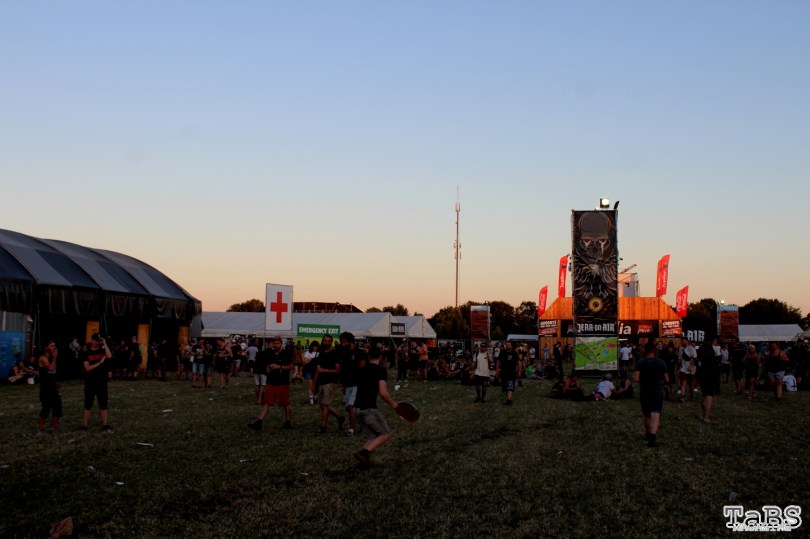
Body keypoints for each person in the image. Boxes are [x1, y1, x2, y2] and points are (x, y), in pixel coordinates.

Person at [352, 345, 399, 469]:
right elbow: (383, 392)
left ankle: (363, 463)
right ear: (381, 356)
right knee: (384, 434)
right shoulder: (380, 371)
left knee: (373, 436)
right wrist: (394, 405)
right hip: (369, 409)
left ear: (368, 356)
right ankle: (363, 453)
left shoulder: (361, 369)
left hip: (357, 409)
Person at [248, 337, 294, 431]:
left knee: (285, 403)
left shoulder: (286, 353)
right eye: (274, 343)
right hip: (272, 381)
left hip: (282, 382)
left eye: (278, 343)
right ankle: (259, 422)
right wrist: (268, 368)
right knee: (267, 402)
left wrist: (280, 367)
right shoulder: (271, 353)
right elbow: (268, 365)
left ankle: (288, 421)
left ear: (281, 344)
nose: (276, 345)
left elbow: (291, 366)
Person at [634, 342, 669, 447]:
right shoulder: (661, 363)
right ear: (655, 351)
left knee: (647, 414)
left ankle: (648, 434)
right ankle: (653, 436)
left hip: (645, 390)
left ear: (645, 351)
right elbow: (667, 379)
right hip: (657, 390)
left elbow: (636, 379)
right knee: (656, 413)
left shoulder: (640, 363)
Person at [82, 333, 113, 432]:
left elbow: (109, 356)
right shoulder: (86, 353)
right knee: (88, 403)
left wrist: (105, 343)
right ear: (91, 340)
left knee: (103, 403)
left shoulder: (102, 350)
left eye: (98, 340)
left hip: (101, 381)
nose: (97, 342)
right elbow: (87, 368)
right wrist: (99, 363)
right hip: (90, 381)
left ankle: (105, 424)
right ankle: (85, 425)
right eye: (95, 340)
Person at [314, 334, 345, 433]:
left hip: (331, 381)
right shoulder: (321, 353)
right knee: (322, 405)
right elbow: (318, 369)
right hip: (322, 381)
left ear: (331, 342)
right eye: (325, 341)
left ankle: (323, 426)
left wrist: (325, 370)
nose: (327, 343)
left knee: (325, 404)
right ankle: (339, 417)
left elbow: (338, 370)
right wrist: (314, 382)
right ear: (322, 341)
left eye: (329, 341)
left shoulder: (334, 354)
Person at [339, 332, 365, 436]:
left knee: (351, 407)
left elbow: (363, 368)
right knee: (349, 408)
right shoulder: (344, 354)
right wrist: (344, 388)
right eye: (342, 342)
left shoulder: (359, 353)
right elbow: (344, 371)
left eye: (345, 342)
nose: (343, 344)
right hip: (348, 384)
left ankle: (351, 430)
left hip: (357, 384)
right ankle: (363, 424)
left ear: (351, 342)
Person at [37, 341, 62, 434]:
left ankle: (55, 428)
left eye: (54, 345)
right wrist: (55, 357)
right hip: (45, 388)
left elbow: (52, 373)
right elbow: (50, 368)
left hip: (53, 387)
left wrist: (56, 382)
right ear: (46, 347)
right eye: (51, 346)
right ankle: (40, 429)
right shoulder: (43, 358)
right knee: (46, 408)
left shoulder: (52, 358)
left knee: (57, 407)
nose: (54, 347)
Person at [696, 338, 720, 422]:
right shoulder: (713, 354)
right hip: (711, 376)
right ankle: (706, 416)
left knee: (704, 395)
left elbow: (698, 365)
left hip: (702, 375)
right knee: (709, 395)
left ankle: (704, 414)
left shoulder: (700, 353)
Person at [302, 340, 319, 405]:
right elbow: (305, 362)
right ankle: (311, 398)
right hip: (308, 370)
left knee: (315, 384)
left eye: (316, 346)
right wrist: (310, 360)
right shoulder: (308, 352)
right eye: (314, 346)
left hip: (316, 370)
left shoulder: (319, 353)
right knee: (310, 384)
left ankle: (314, 396)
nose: (315, 348)